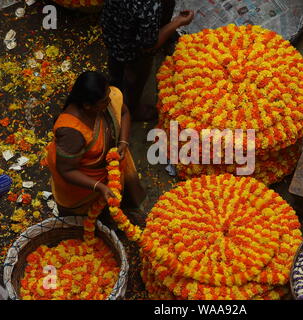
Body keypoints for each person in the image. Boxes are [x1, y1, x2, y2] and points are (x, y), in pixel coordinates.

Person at [46, 71, 146, 220]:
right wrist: (99, 187)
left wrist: (123, 142)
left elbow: (124, 113)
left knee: (116, 204)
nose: (109, 99)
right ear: (87, 106)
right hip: (84, 187)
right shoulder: (72, 132)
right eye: (104, 100)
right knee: (90, 219)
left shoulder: (107, 98)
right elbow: (66, 170)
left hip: (110, 170)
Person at [100, 0, 195, 121]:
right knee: (137, 71)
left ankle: (115, 82)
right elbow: (149, 46)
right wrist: (177, 22)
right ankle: (132, 108)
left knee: (116, 61)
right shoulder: (148, 5)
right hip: (129, 45)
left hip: (112, 28)